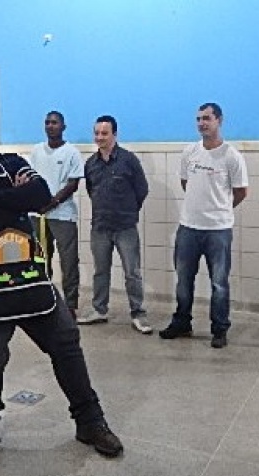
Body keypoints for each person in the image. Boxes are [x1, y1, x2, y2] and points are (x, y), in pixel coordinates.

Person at [0, 106, 123, 457]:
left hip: (32, 282)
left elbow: (40, 195)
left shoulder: (12, 162)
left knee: (66, 342)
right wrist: (13, 206)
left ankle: (90, 421)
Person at [159, 103, 248, 348]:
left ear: (219, 120)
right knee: (183, 280)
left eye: (207, 118)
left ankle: (219, 329)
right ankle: (182, 323)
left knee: (219, 283)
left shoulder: (231, 156)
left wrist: (220, 209)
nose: (202, 123)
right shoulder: (190, 152)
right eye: (198, 119)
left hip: (218, 230)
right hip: (188, 228)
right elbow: (185, 183)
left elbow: (241, 191)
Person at [77, 115, 152, 334]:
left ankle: (138, 313)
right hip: (100, 227)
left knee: (132, 272)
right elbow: (91, 191)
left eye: (104, 133)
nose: (100, 137)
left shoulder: (128, 160)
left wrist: (128, 211)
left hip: (125, 227)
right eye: (97, 133)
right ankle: (99, 309)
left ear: (115, 135)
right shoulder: (91, 164)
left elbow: (142, 189)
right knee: (100, 271)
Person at [29, 111, 84, 319]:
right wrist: (37, 202)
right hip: (38, 215)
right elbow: (30, 179)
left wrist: (52, 202)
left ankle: (70, 305)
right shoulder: (36, 151)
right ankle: (44, 301)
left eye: (54, 122)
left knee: (69, 263)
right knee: (40, 260)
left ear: (63, 126)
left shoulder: (72, 153)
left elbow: (73, 184)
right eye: (47, 123)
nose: (50, 126)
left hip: (63, 216)